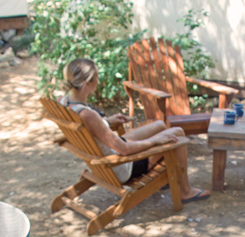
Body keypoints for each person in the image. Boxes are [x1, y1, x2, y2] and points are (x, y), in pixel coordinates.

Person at [60, 58, 210, 203]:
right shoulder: (88, 114)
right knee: (178, 132)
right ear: (88, 83)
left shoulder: (65, 102)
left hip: (105, 156)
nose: (99, 80)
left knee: (159, 125)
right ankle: (185, 191)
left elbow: (91, 129)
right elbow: (124, 149)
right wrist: (154, 141)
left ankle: (167, 177)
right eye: (97, 77)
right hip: (121, 166)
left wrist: (107, 122)